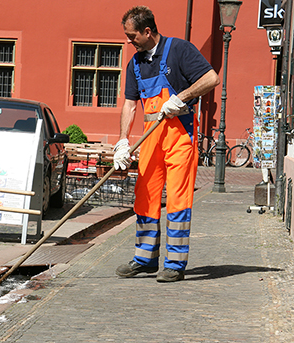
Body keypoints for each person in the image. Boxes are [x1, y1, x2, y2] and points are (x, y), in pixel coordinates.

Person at [114, 6, 220, 282]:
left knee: (177, 199)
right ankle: (145, 258)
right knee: (145, 195)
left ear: (147, 31)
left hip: (180, 136)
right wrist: (122, 141)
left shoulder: (180, 50)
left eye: (131, 35)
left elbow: (211, 78)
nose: (129, 41)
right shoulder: (134, 64)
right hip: (151, 137)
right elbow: (129, 103)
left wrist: (181, 97)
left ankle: (174, 263)